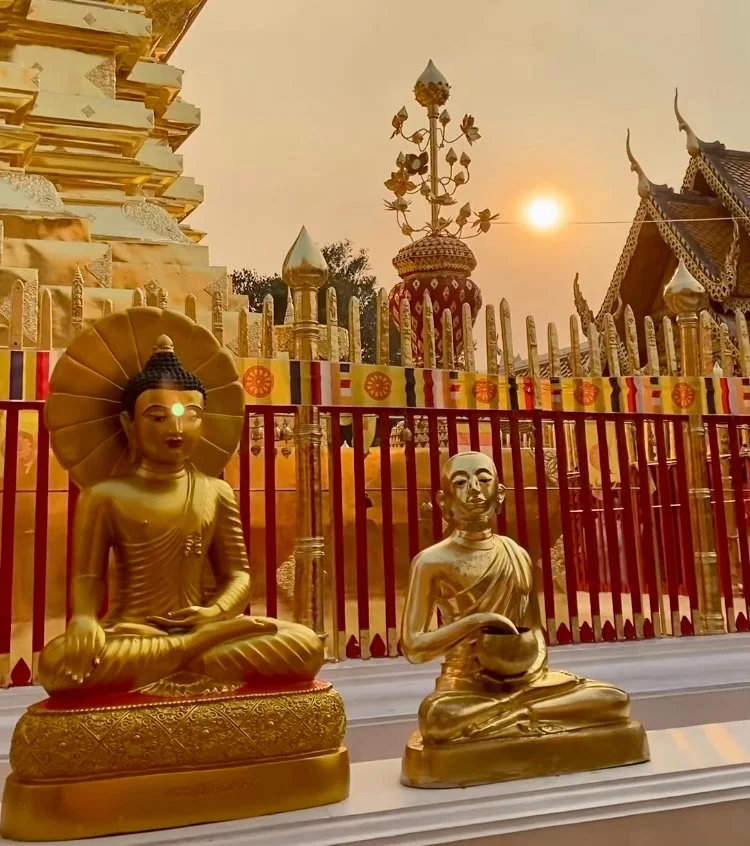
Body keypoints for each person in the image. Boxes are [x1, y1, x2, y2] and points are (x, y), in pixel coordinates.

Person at [38, 335, 323, 696]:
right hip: (132, 632)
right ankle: (189, 653)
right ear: (129, 424)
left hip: (205, 628)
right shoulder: (104, 496)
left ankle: (182, 653)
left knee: (305, 644)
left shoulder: (216, 491)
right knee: (58, 663)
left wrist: (215, 613)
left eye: (191, 417)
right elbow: (88, 577)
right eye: (157, 417)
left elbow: (238, 575)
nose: (176, 429)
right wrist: (83, 619)